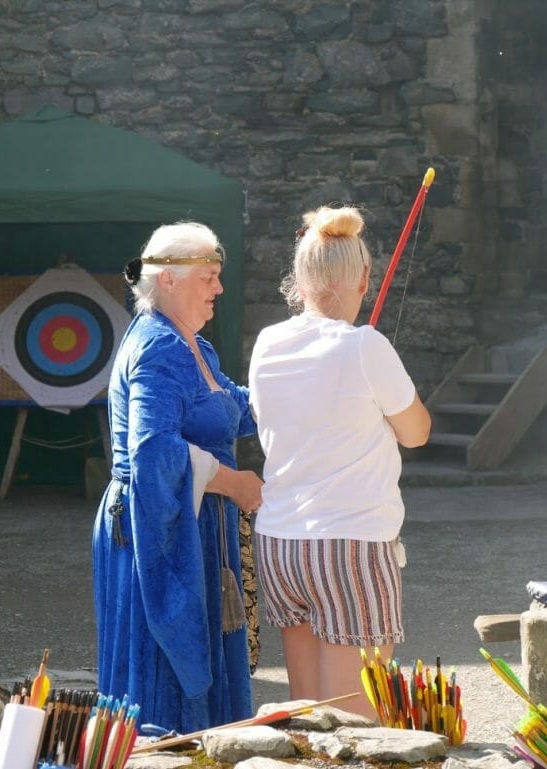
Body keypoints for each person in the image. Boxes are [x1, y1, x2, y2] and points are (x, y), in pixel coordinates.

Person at [247, 205, 431, 719]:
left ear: (299, 280)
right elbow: (416, 433)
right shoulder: (365, 345)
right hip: (351, 543)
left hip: (281, 542)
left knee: (307, 711)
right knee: (355, 722)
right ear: (365, 280)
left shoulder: (267, 342)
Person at [92, 221, 263, 734]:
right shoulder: (160, 348)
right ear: (168, 279)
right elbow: (152, 449)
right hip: (157, 531)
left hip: (192, 526)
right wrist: (233, 483)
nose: (219, 288)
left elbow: (238, 411)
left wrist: (305, 380)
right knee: (163, 676)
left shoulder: (194, 346)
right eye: (209, 276)